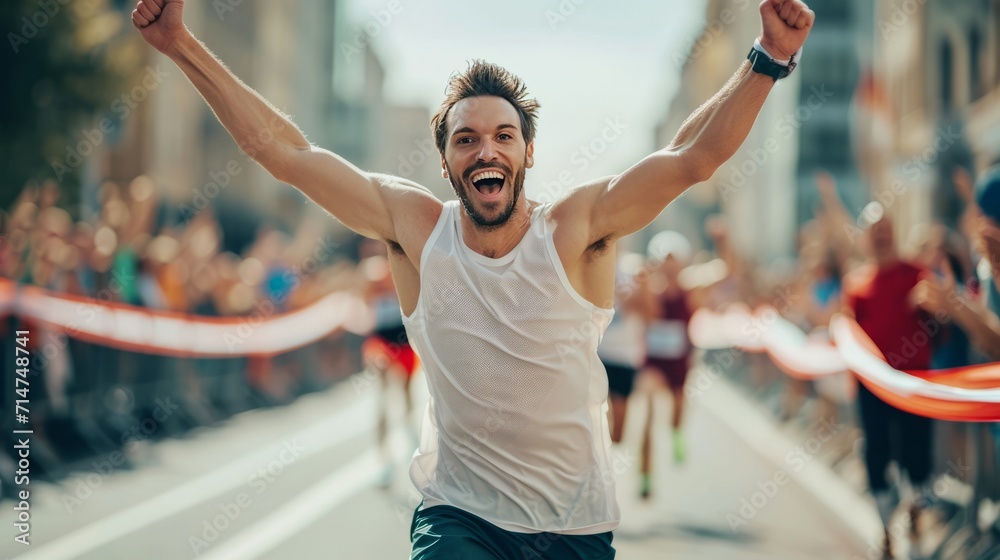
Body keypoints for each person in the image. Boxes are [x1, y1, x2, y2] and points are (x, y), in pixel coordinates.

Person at [132, 1, 814, 557]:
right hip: (460, 520)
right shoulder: (416, 230)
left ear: (528, 153)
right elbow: (283, 151)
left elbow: (692, 158)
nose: (485, 148)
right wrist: (180, 43)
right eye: (465, 139)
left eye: (503, 136)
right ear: (447, 163)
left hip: (574, 528)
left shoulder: (576, 231)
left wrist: (769, 57)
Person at [842, 203, 937, 559]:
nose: (881, 236)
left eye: (886, 229)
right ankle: (885, 531)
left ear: (894, 233)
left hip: (914, 384)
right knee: (877, 455)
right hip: (872, 387)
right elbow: (847, 330)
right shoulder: (856, 283)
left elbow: (939, 322)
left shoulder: (917, 275)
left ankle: (915, 517)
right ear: (866, 238)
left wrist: (934, 305)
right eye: (875, 230)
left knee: (917, 456)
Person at [637, 231, 694, 500]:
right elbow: (653, 315)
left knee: (678, 410)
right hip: (654, 362)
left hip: (680, 362)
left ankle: (677, 434)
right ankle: (646, 477)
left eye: (674, 260)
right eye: (665, 260)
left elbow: (726, 270)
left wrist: (723, 241)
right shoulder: (651, 288)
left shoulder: (692, 288)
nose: (670, 265)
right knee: (647, 418)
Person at [361, 247, 421, 487]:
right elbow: (365, 297)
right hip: (382, 341)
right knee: (383, 393)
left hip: (404, 341)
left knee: (406, 393)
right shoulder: (371, 270)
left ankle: (410, 440)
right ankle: (381, 453)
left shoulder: (406, 265)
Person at [596, 251, 647, 446]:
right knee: (593, 423)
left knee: (618, 434)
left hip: (625, 358)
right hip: (599, 355)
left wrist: (621, 293)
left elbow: (646, 311)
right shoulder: (592, 262)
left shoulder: (634, 267)